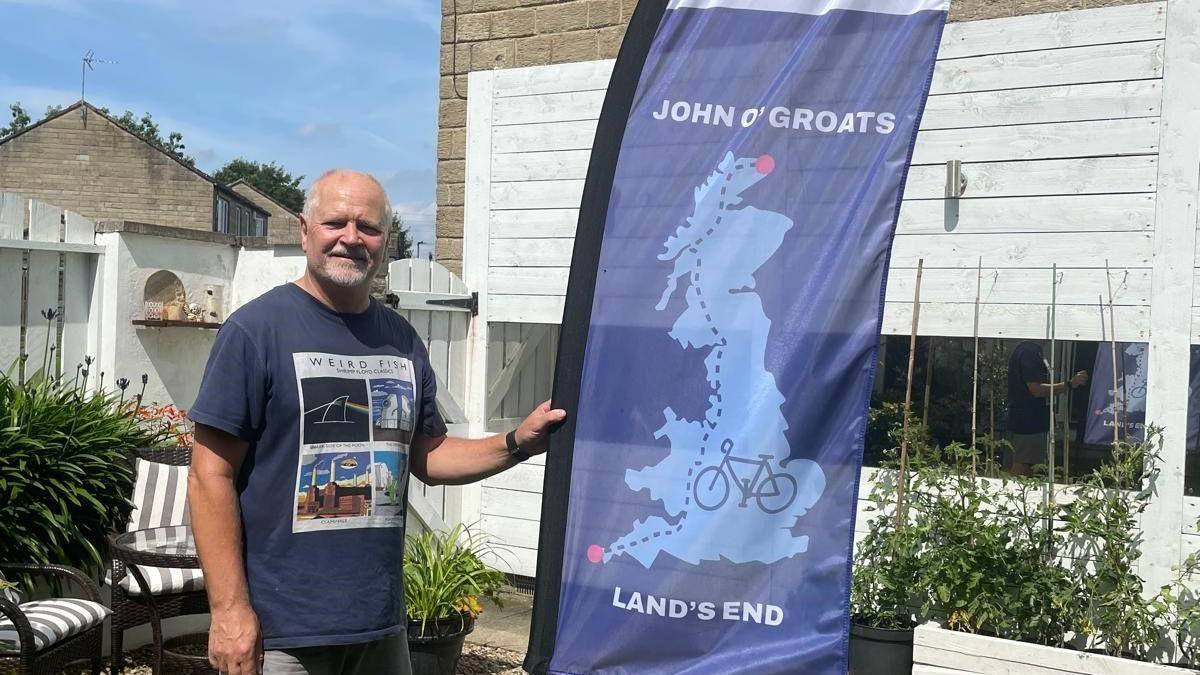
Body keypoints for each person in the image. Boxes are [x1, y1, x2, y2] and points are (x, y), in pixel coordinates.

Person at [187, 169, 566, 675]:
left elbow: (427, 455)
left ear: (385, 241)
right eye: (335, 222)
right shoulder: (256, 332)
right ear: (305, 230)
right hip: (281, 633)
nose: (351, 238)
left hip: (380, 625)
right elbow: (209, 475)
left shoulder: (402, 340)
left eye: (367, 226)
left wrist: (516, 442)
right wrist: (230, 611)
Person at [1006, 340, 1087, 476]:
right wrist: (1069, 384)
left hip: (1032, 422)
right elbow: (1036, 389)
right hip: (1028, 423)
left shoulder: (1033, 351)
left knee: (1030, 467)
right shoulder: (1029, 352)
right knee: (1023, 465)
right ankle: (1012, 495)